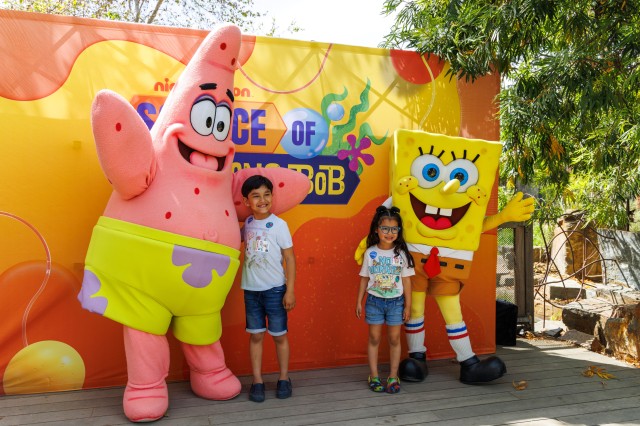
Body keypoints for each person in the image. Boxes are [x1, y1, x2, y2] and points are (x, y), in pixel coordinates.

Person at [240, 175, 297, 403]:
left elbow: (290, 259)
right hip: (251, 292)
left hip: (275, 291)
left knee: (279, 337)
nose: (262, 200)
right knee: (255, 336)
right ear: (246, 201)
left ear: (272, 197)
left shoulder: (280, 225)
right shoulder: (247, 224)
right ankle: (257, 380)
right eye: (256, 196)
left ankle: (284, 378)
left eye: (266, 194)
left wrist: (289, 290)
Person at [356, 206, 414, 394]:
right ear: (376, 229)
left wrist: (408, 305)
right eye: (385, 228)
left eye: (394, 229)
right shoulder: (370, 253)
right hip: (374, 301)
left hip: (396, 303)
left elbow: (406, 281)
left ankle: (392, 376)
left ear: (399, 231)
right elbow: (364, 277)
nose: (389, 233)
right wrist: (359, 301)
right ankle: (373, 375)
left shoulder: (402, 254)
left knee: (394, 338)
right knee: (374, 338)